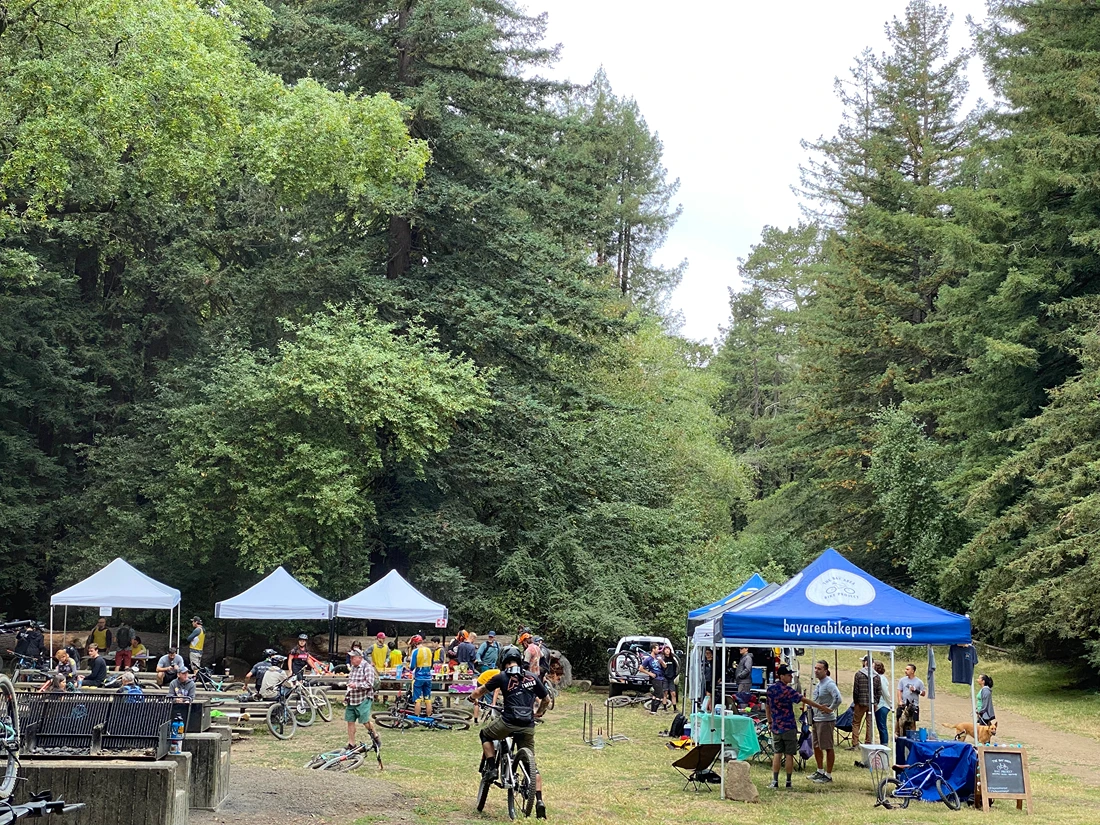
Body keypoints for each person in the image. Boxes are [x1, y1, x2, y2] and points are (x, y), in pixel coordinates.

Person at [470, 645, 549, 820]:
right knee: (532, 766)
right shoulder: (533, 677)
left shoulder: (502, 676)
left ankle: (491, 768)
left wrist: (472, 698)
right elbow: (546, 699)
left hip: (508, 722)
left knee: (485, 734)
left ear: (503, 661)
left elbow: (479, 691)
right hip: (528, 725)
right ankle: (539, 801)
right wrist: (539, 712)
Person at [765, 664, 831, 789]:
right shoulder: (788, 691)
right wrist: (821, 707)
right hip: (788, 726)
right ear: (782, 676)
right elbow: (804, 700)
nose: (791, 677)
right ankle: (788, 782)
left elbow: (767, 706)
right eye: (789, 675)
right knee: (789, 754)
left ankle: (774, 781)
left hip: (776, 726)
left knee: (777, 753)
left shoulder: (771, 689)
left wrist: (769, 722)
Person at [807, 659, 843, 784]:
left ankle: (828, 774)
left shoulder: (829, 684)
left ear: (826, 670)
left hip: (826, 720)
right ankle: (820, 770)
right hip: (816, 719)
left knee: (827, 746)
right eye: (815, 668)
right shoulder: (819, 684)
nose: (816, 671)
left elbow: (838, 698)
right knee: (816, 746)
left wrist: (830, 709)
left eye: (819, 669)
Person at [345, 647, 382, 749]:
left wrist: (356, 685)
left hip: (364, 698)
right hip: (352, 698)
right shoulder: (353, 667)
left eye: (353, 657)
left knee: (365, 721)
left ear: (360, 658)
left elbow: (370, 683)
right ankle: (351, 744)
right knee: (350, 720)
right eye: (351, 657)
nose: (351, 659)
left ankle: (375, 736)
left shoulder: (367, 667)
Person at [852, 655, 881, 748]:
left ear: (865, 662)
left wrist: (856, 701)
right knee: (870, 723)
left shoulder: (858, 674)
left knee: (856, 723)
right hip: (872, 703)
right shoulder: (876, 676)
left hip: (860, 702)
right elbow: (879, 691)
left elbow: (856, 690)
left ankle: (855, 743)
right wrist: (876, 702)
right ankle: (868, 742)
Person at [897, 663, 927, 735]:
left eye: (907, 669)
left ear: (912, 671)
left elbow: (923, 693)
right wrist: (900, 701)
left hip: (914, 705)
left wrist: (916, 690)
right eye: (905, 669)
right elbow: (899, 691)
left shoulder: (919, 682)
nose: (905, 671)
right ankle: (898, 736)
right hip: (903, 704)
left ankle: (912, 736)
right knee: (899, 721)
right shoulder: (902, 680)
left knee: (913, 723)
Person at [409, 635, 434, 716]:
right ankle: (429, 717)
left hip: (419, 677)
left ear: (414, 643)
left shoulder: (415, 651)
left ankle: (416, 718)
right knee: (428, 699)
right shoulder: (429, 650)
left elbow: (412, 666)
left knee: (417, 699)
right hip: (428, 677)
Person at [639, 643, 666, 713]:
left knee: (656, 694)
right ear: (653, 649)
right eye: (657, 649)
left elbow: (665, 666)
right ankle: (654, 711)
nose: (658, 650)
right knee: (660, 695)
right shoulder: (648, 659)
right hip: (655, 678)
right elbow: (640, 668)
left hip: (661, 677)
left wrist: (661, 662)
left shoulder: (659, 657)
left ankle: (652, 710)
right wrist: (649, 673)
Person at [874, 661, 892, 745]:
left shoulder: (880, 678)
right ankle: (883, 743)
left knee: (882, 726)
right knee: (880, 726)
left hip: (882, 705)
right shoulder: (878, 677)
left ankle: (884, 744)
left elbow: (885, 692)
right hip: (880, 704)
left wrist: (890, 704)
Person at [661, 644, 679, 711]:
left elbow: (676, 668)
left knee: (673, 693)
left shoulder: (673, 659)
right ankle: (665, 708)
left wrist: (674, 675)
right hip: (665, 678)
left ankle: (674, 708)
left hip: (671, 678)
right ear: (664, 651)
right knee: (665, 693)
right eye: (666, 649)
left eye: (668, 649)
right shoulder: (662, 659)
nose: (667, 651)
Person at [702, 647, 714, 712]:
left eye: (708, 653)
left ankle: (705, 708)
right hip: (705, 679)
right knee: (709, 695)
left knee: (708, 694)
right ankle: (710, 708)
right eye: (706, 653)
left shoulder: (714, 662)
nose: (707, 655)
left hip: (711, 680)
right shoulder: (704, 662)